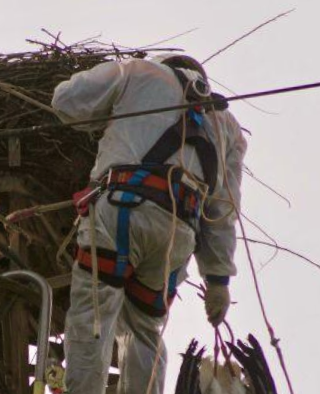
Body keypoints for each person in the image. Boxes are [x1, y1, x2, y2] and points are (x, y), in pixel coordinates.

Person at [51, 54, 247, 394]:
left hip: (123, 212)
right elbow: (221, 212)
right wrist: (217, 280)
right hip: (178, 236)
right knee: (144, 332)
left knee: (94, 315)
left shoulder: (139, 71)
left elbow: (66, 102)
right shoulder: (226, 126)